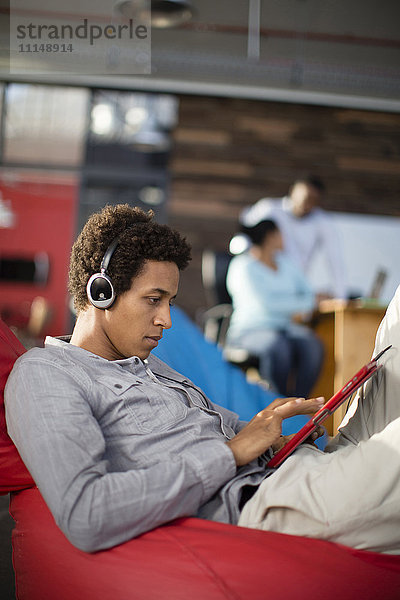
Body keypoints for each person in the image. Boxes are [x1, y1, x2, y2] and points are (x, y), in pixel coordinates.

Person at [4, 204, 400, 555]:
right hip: (273, 500)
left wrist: (271, 436)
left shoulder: (148, 364)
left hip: (304, 463)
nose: (167, 320)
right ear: (101, 292)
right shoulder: (45, 375)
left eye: (169, 302)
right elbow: (86, 512)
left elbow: (223, 435)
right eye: (153, 299)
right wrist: (232, 454)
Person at [225, 219, 323, 397]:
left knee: (313, 346)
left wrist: (305, 302)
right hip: (249, 331)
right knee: (278, 347)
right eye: (281, 233)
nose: (285, 238)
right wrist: (305, 304)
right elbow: (265, 305)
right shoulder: (242, 266)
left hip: (285, 329)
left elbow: (309, 291)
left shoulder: (286, 264)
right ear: (271, 236)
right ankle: (277, 402)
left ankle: (298, 405)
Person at [238, 176, 347, 299]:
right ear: (293, 191)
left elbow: (335, 260)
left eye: (312, 200)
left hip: (295, 285)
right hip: (265, 279)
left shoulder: (323, 222)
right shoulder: (269, 209)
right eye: (304, 197)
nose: (305, 203)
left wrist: (340, 298)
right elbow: (245, 234)